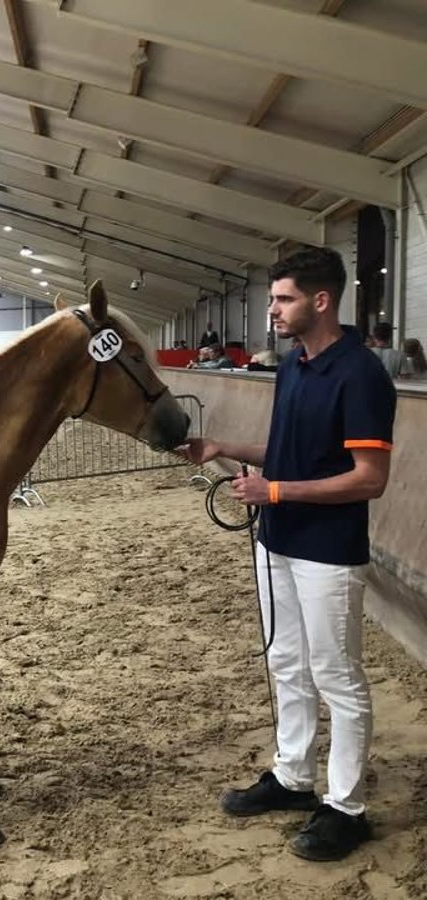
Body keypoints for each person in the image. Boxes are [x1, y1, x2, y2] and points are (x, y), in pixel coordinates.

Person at [179, 246, 396, 862]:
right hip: (278, 537)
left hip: (327, 550)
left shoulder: (361, 375)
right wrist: (225, 445)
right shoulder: (296, 365)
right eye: (274, 298)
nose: (271, 309)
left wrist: (274, 490)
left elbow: (369, 478)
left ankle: (347, 807)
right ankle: (294, 776)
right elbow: (287, 450)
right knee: (286, 663)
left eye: (283, 299)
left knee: (338, 675)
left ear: (320, 301)